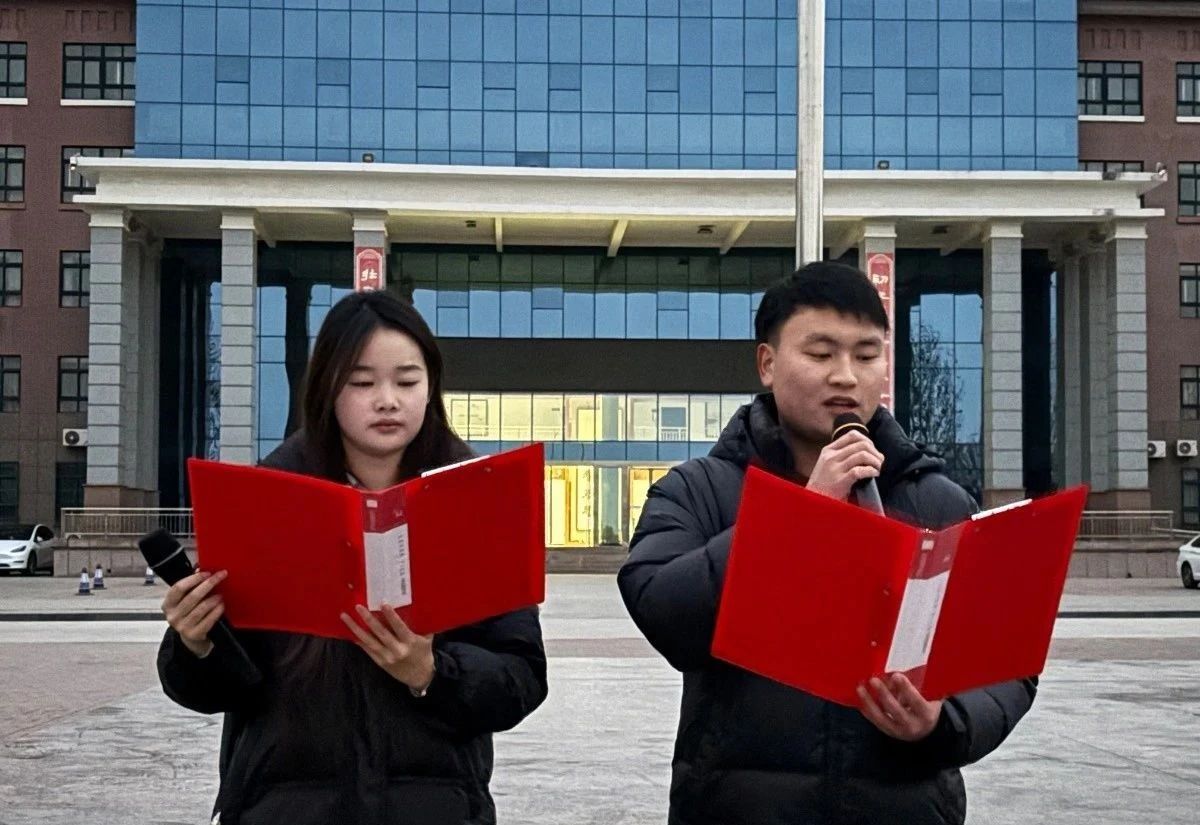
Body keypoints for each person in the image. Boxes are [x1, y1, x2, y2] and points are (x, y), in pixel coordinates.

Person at [618, 261, 1036, 825]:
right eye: (820, 354)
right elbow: (664, 612)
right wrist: (800, 518)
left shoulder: (938, 502)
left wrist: (945, 721)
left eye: (866, 355)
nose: (846, 377)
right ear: (768, 363)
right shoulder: (700, 490)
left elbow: (1006, 665)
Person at [157, 290, 548, 825]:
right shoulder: (267, 505)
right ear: (327, 389)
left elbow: (522, 678)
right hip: (284, 809)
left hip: (434, 809)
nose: (387, 400)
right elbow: (214, 690)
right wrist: (196, 643)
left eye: (407, 381)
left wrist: (432, 673)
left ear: (431, 387)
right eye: (362, 383)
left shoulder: (478, 503)